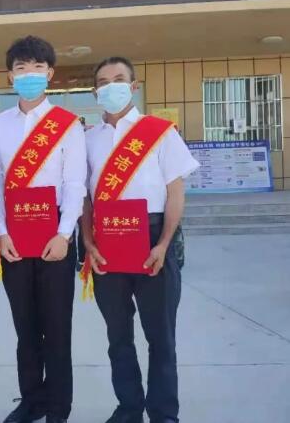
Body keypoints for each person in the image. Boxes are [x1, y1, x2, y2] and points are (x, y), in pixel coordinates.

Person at [81, 57, 199, 423]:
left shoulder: (160, 132)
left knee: (160, 336)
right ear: (96, 92)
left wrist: (164, 244)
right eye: (103, 82)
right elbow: (86, 198)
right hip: (107, 242)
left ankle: (163, 413)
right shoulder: (88, 139)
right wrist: (88, 242)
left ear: (133, 86)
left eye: (119, 79)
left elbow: (175, 193)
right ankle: (129, 408)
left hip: (153, 238)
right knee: (118, 336)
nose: (111, 87)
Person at [0, 36, 87, 423]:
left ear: (50, 74)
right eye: (21, 68)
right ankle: (31, 401)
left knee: (57, 328)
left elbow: (75, 183)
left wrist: (64, 234)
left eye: (37, 67)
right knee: (25, 329)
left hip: (55, 237)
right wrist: (1, 232)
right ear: (10, 76)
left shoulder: (67, 125)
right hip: (14, 239)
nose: (29, 74)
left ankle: (58, 407)